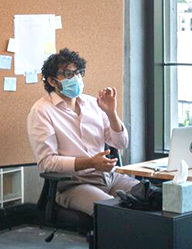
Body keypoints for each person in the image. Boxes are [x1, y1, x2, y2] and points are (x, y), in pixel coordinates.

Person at [25, 48, 138, 215]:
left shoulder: (93, 103)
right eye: (69, 74)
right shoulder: (41, 111)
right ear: (52, 81)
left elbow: (121, 143)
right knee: (113, 213)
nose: (76, 78)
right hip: (74, 184)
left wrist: (111, 113)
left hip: (110, 177)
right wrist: (90, 162)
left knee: (150, 198)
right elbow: (47, 163)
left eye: (78, 73)